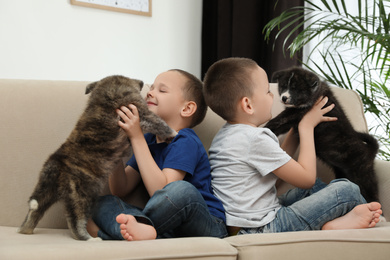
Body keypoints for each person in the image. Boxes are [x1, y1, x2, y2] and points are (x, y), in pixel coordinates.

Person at [203, 57, 382, 235]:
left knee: (312, 191)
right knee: (347, 189)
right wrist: (306, 127)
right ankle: (332, 224)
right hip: (264, 227)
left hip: (241, 224)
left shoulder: (227, 136)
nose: (273, 96)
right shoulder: (255, 139)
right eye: (267, 92)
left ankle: (336, 219)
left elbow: (278, 165)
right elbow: (306, 179)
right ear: (248, 105)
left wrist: (297, 125)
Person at [87, 69, 227, 241]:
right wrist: (114, 147)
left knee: (181, 190)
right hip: (170, 226)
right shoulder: (148, 141)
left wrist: (136, 137)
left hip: (206, 223)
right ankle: (142, 229)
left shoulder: (185, 140)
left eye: (162, 90)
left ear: (187, 108)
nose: (150, 93)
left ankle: (113, 232)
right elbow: (120, 189)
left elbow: (162, 191)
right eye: (151, 88)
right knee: (99, 202)